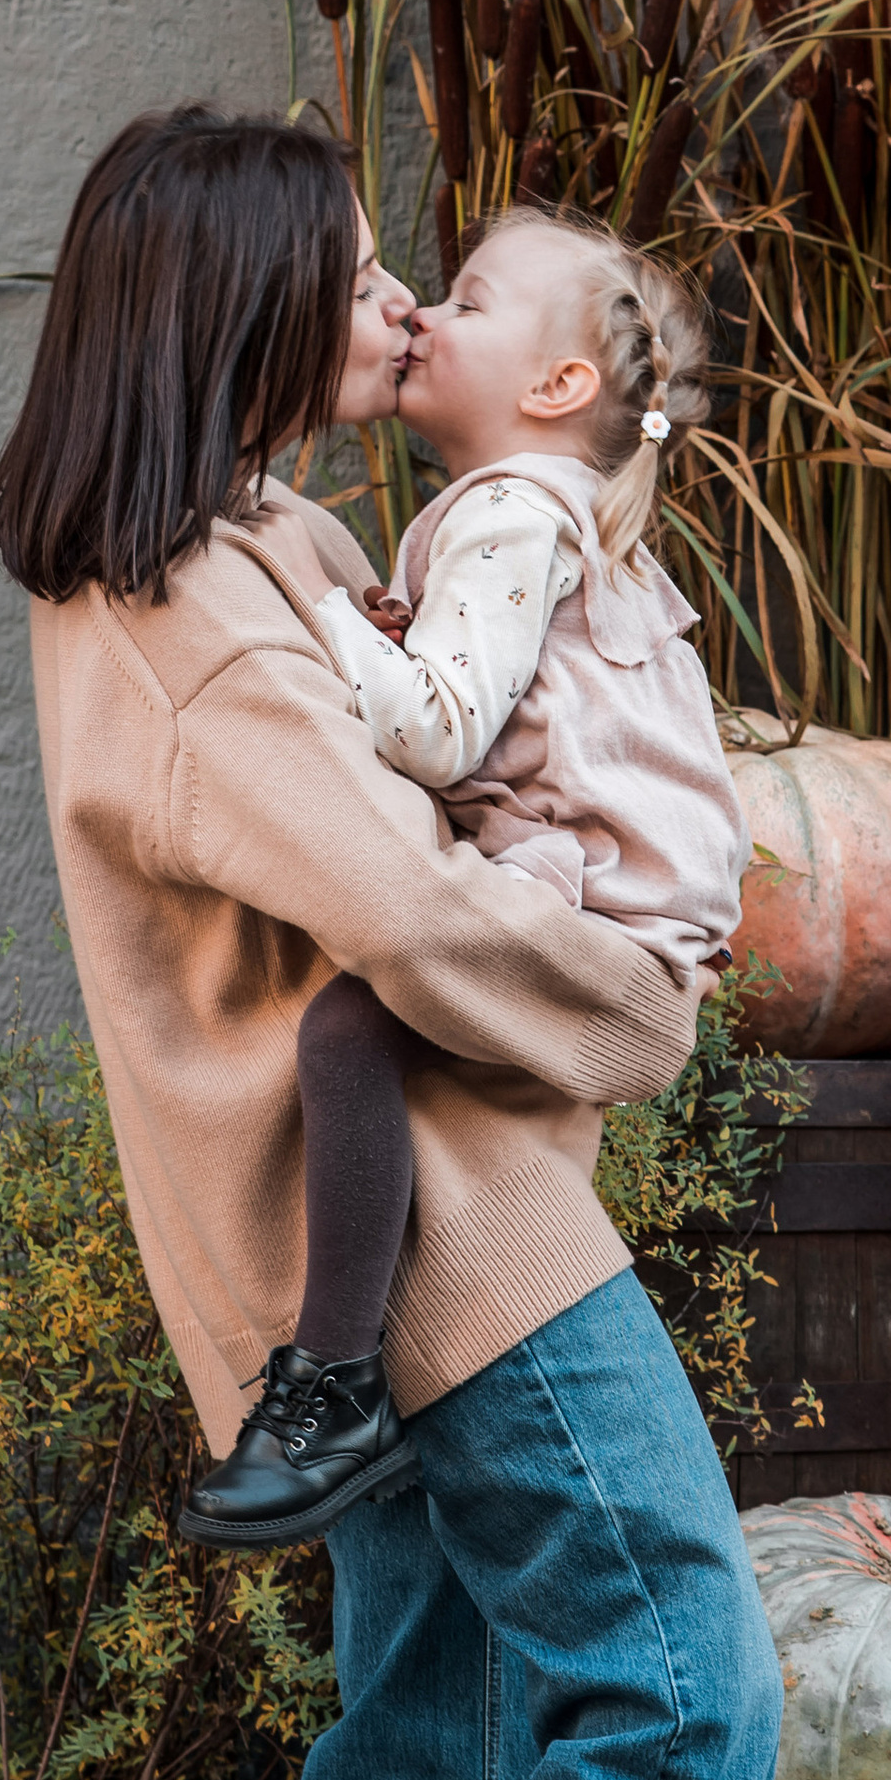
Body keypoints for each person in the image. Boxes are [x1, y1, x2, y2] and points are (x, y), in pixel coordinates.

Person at [0, 107, 782, 1780]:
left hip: (380, 1232)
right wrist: (646, 1010)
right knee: (679, 1697)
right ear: (229, 301)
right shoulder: (189, 619)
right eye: (347, 274)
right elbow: (411, 912)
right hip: (445, 1237)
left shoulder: (232, 554)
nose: (391, 306)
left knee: (424, 1751)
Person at [176, 206, 749, 1551]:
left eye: (469, 302)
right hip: (608, 879)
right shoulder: (525, 515)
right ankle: (340, 1386)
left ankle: (330, 1391)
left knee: (346, 1028)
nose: (422, 311)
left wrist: (306, 616)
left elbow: (435, 729)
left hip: (595, 892)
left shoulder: (507, 513)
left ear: (558, 388)